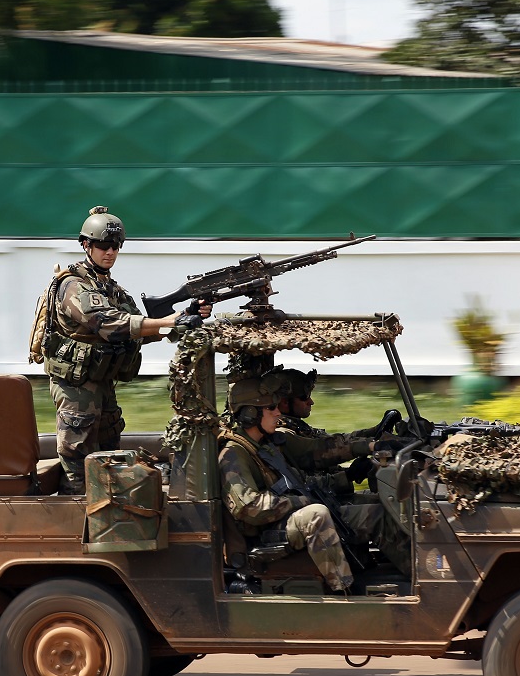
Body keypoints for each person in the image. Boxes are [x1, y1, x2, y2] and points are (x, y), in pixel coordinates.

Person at [44, 206, 211, 493]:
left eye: (115, 246)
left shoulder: (111, 289)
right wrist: (167, 320)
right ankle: (72, 517)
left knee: (109, 452)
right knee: (77, 457)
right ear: (86, 245)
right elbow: (110, 323)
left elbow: (140, 330)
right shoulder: (73, 285)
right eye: (102, 245)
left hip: (102, 381)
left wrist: (184, 317)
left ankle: (111, 513)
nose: (109, 252)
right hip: (77, 386)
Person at [218, 376, 412, 595]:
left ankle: (419, 575)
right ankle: (345, 590)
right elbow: (249, 507)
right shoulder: (233, 454)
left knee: (378, 511)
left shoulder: (269, 443)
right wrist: (299, 502)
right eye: (270, 407)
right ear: (249, 414)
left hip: (286, 520)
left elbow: (318, 452)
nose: (278, 413)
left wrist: (363, 456)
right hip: (266, 532)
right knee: (316, 514)